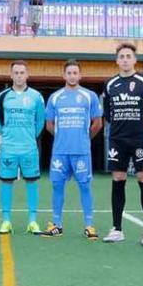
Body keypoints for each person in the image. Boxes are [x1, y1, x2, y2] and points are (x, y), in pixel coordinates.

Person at [102, 43, 143, 245]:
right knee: (118, 178)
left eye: (128, 56)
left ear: (134, 59)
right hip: (117, 138)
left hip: (140, 138)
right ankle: (117, 228)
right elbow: (108, 112)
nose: (125, 59)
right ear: (117, 60)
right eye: (121, 56)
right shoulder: (110, 84)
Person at [44, 60, 103, 239]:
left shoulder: (89, 96)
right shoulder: (55, 97)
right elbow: (49, 125)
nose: (72, 76)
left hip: (81, 151)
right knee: (57, 186)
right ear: (64, 75)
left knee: (85, 186)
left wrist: (84, 139)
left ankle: (89, 225)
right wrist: (62, 137)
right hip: (60, 151)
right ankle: (57, 225)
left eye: (75, 73)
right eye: (69, 73)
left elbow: (97, 123)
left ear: (80, 75)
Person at [0, 61, 46, 234]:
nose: (18, 75)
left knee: (31, 181)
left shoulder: (36, 96)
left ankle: (32, 221)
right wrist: (9, 135)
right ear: (11, 75)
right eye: (15, 73)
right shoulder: (2, 96)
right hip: (9, 147)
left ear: (27, 75)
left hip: (29, 148)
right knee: (6, 182)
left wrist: (30, 136)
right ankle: (6, 220)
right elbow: (0, 121)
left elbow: (40, 121)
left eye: (22, 72)